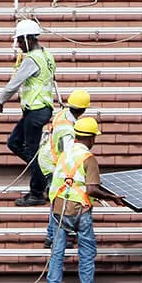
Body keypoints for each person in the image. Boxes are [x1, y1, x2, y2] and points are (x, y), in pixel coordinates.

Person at [43, 117, 125, 283]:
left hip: (59, 209)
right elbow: (92, 189)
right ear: (91, 138)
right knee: (87, 252)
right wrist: (113, 198)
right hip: (80, 210)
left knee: (57, 253)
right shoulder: (88, 158)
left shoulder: (65, 154)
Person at [0, 19, 56, 207]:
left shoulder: (32, 59)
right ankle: (44, 174)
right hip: (38, 110)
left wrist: (0, 101)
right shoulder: (46, 55)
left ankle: (37, 192)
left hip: (36, 111)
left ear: (29, 39)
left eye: (20, 41)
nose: (19, 45)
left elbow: (15, 83)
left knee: (32, 151)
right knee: (14, 142)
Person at [38, 89, 91, 249]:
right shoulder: (68, 130)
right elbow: (69, 155)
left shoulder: (64, 114)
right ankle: (53, 236)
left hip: (50, 158)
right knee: (58, 198)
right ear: (83, 109)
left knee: (57, 198)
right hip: (53, 163)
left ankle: (52, 235)